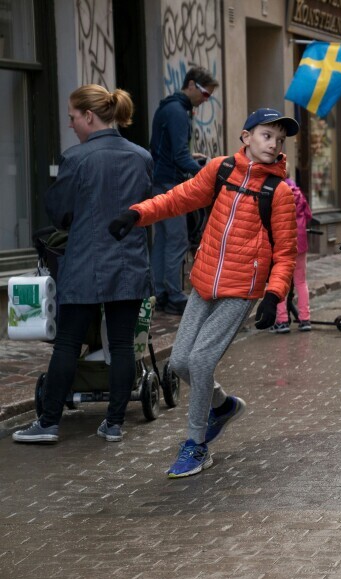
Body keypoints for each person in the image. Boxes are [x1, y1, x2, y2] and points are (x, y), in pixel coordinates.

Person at [107, 108, 299, 478]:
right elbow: (179, 198)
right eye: (266, 135)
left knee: (199, 362)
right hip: (205, 281)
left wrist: (274, 296)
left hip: (242, 289)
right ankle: (223, 406)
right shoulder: (221, 170)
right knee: (179, 362)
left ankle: (196, 445)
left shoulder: (279, 193)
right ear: (246, 137)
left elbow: (286, 252)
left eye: (279, 139)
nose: (273, 144)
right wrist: (137, 214)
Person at [13, 85, 153, 444]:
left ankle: (47, 423)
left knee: (68, 343)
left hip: (86, 262)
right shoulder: (141, 156)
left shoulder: (77, 158)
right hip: (129, 262)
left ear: (89, 116)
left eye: (73, 117)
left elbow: (60, 213)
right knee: (122, 344)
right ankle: (114, 423)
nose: (71, 124)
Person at [149, 66, 219, 315]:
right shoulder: (178, 112)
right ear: (191, 85)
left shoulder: (170, 108)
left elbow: (170, 151)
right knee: (177, 238)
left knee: (164, 239)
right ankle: (174, 295)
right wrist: (207, 172)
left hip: (161, 181)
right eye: (205, 94)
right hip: (170, 183)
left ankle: (159, 293)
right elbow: (178, 157)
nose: (205, 99)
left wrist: (192, 158)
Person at [272, 177, 313, 333]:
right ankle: (305, 319)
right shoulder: (298, 193)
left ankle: (282, 321)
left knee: (280, 282)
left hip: (282, 243)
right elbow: (308, 214)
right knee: (301, 282)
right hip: (299, 242)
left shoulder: (276, 192)